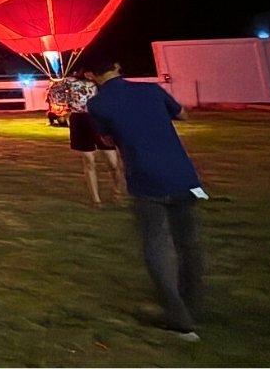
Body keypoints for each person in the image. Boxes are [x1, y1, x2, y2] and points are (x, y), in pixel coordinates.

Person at [86, 59, 206, 341]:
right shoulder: (151, 91)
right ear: (117, 65)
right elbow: (183, 115)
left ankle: (178, 317)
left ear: (91, 74)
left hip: (145, 178)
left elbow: (105, 140)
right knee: (189, 243)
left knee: (156, 244)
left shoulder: (98, 105)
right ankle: (193, 304)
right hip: (181, 174)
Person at [67, 69, 124, 208]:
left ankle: (117, 191)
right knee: (89, 161)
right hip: (79, 121)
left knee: (113, 163)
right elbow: (57, 95)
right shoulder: (69, 82)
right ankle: (96, 200)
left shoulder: (101, 84)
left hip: (98, 119)